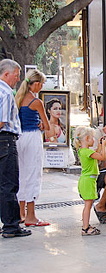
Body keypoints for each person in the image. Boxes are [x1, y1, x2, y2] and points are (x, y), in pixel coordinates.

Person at [0, 59, 32, 238]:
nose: (18, 79)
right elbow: (2, 120)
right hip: (5, 139)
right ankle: (11, 225)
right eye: (16, 75)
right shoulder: (5, 93)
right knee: (9, 184)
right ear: (6, 74)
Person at [15, 69, 51, 227]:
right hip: (32, 138)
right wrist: (42, 125)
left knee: (21, 175)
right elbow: (47, 125)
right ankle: (31, 215)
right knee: (33, 175)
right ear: (36, 84)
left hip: (18, 137)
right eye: (41, 84)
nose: (41, 87)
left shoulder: (18, 98)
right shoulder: (36, 102)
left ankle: (20, 212)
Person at [74, 126, 106, 236]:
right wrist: (104, 146)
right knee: (88, 205)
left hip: (88, 180)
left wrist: (100, 146)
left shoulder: (83, 151)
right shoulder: (87, 152)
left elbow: (97, 154)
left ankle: (86, 225)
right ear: (87, 138)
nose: (94, 140)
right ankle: (85, 228)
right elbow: (102, 157)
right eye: (93, 138)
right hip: (88, 181)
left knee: (88, 204)